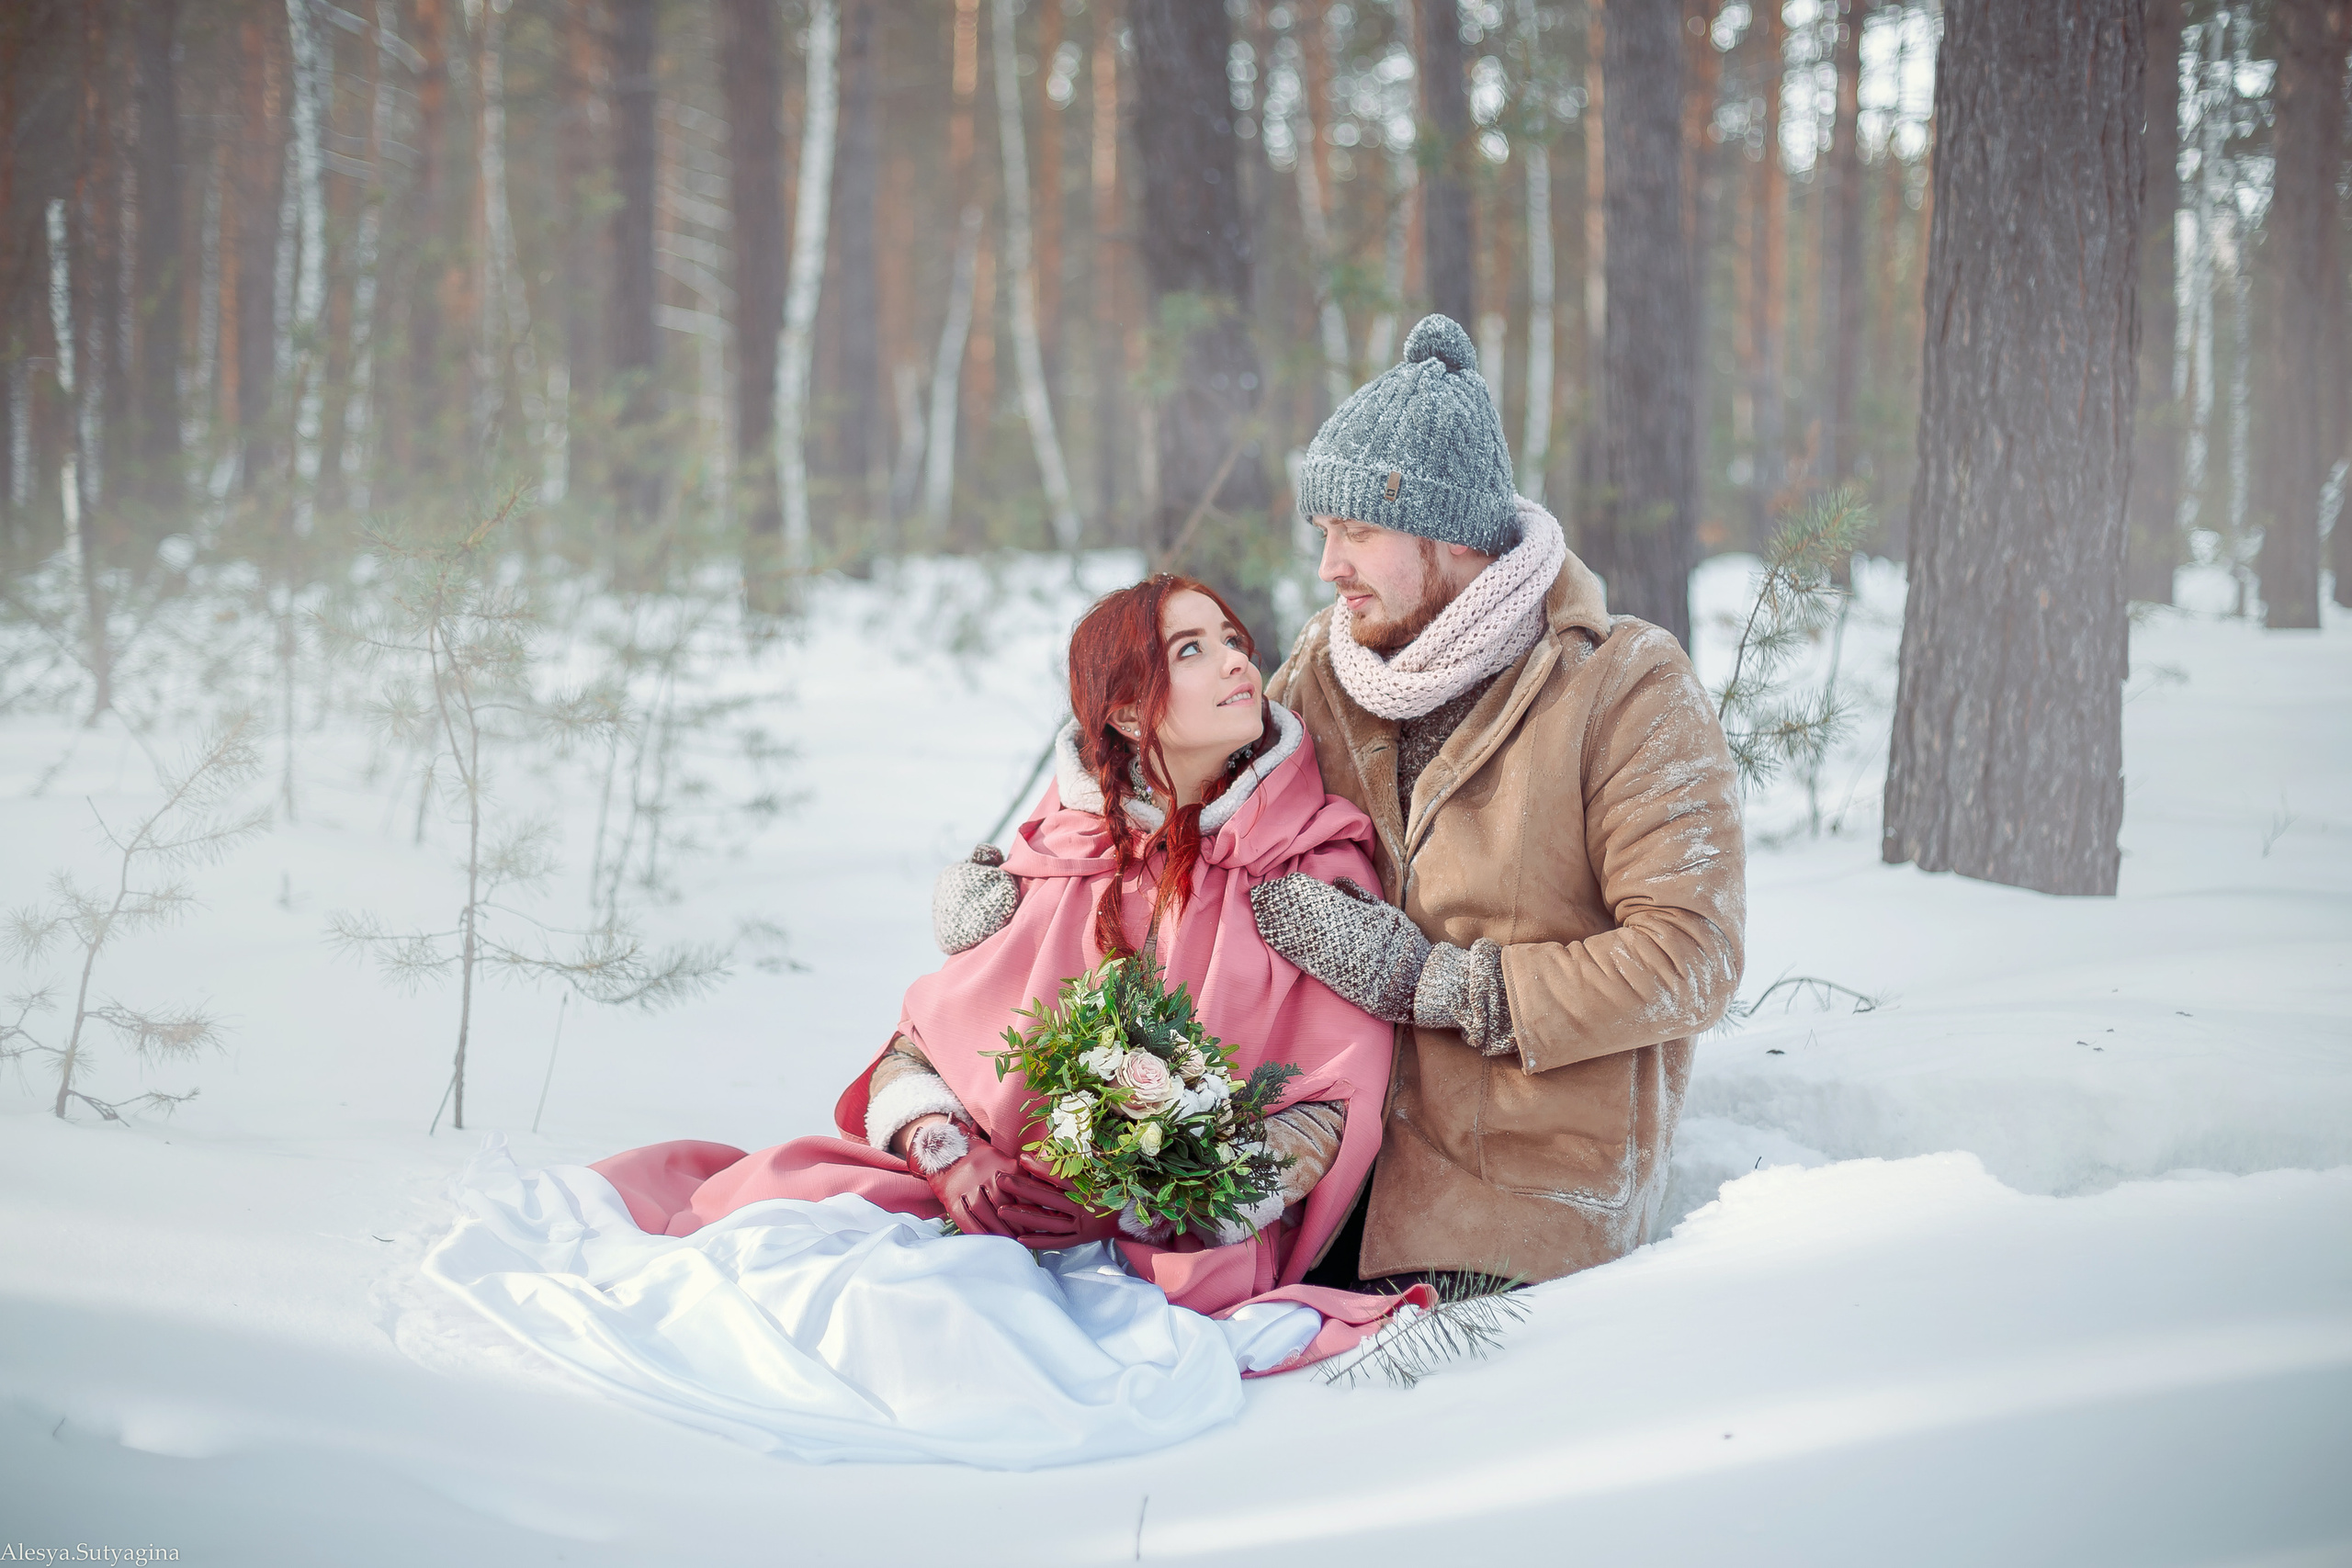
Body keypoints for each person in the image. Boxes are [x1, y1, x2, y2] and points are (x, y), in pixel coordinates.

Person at [934, 314, 1747, 1291]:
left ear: (1449, 533)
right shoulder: (1327, 666)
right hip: (1303, 1183)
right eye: (1324, 533)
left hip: (1510, 1204)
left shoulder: (1622, 685)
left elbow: (1691, 959)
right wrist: (1040, 867)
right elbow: (1200, 804)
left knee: (1321, 1419)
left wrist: (1436, 985)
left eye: (1356, 532)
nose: (1329, 566)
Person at [571, 576, 1417, 1378]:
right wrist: (953, 1163)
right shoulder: (1059, 862)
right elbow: (917, 1058)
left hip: (1179, 1252)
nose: (1238, 660)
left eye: (1233, 639)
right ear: (1126, 712)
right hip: (991, 1207)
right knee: (835, 1292)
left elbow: (1326, 1114)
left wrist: (1139, 1207)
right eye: (1191, 650)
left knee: (994, 1349)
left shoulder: (1304, 874)